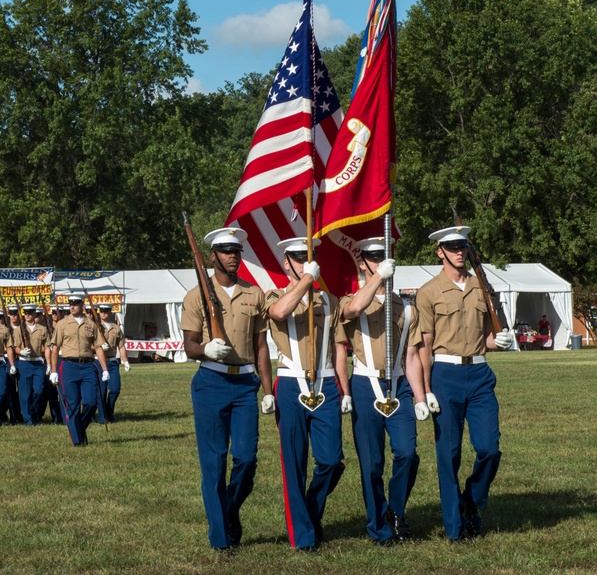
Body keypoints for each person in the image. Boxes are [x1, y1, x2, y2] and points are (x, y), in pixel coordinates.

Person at [414, 225, 513, 543]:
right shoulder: (428, 292)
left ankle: (471, 500)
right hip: (446, 376)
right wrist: (426, 389)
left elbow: (487, 338)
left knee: (489, 448)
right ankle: (455, 527)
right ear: (440, 252)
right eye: (453, 247)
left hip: (481, 374)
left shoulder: (482, 287)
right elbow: (425, 347)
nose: (459, 251)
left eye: (463, 246)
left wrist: (502, 341)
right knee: (449, 454)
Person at [181, 227, 272, 552]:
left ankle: (229, 511)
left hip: (245, 385)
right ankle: (221, 539)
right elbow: (189, 344)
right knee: (214, 463)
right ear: (212, 256)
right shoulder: (196, 296)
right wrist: (205, 349)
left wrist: (268, 389)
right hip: (211, 383)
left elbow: (261, 346)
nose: (233, 256)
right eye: (226, 250)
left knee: (246, 459)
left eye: (236, 250)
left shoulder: (254, 293)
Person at [338, 237, 425, 546]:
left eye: (385, 256)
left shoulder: (405, 307)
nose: (380, 261)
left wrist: (420, 397)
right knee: (372, 463)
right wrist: (378, 277)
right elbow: (353, 309)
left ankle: (397, 511)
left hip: (398, 384)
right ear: (363, 263)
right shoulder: (351, 299)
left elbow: (411, 356)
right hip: (365, 385)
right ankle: (377, 524)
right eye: (374, 257)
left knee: (407, 453)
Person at [266, 237, 347, 551]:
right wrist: (307, 279)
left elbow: (340, 348)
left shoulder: (330, 301)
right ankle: (303, 537)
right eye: (298, 258)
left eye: (309, 258)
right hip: (290, 383)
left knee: (332, 460)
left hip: (325, 383)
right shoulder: (275, 294)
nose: (304, 262)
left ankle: (310, 511)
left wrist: (345, 389)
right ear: (287, 263)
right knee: (294, 464)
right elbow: (279, 312)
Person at [51, 293, 108, 445]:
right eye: (70, 303)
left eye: (76, 303)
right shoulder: (62, 324)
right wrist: (53, 371)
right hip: (69, 366)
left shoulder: (91, 324)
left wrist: (105, 369)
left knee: (91, 402)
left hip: (88, 365)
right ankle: (78, 441)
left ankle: (79, 428)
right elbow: (55, 348)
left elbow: (98, 347)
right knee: (73, 404)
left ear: (83, 306)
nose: (72, 306)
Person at [14, 304, 49, 426]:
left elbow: (47, 347)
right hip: (24, 363)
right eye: (26, 313)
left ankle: (33, 412)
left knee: (39, 391)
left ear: (35, 314)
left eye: (30, 313)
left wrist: (48, 364)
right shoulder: (19, 329)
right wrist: (21, 351)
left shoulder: (42, 329)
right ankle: (28, 419)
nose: (27, 315)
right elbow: (15, 347)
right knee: (25, 393)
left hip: (38, 362)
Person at [96, 303, 130, 423]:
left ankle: (109, 410)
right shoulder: (96, 326)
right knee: (102, 390)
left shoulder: (116, 328)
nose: (103, 313)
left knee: (115, 389)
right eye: (101, 311)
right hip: (99, 362)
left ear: (110, 312)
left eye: (106, 311)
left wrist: (125, 361)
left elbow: (121, 346)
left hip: (112, 361)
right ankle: (103, 417)